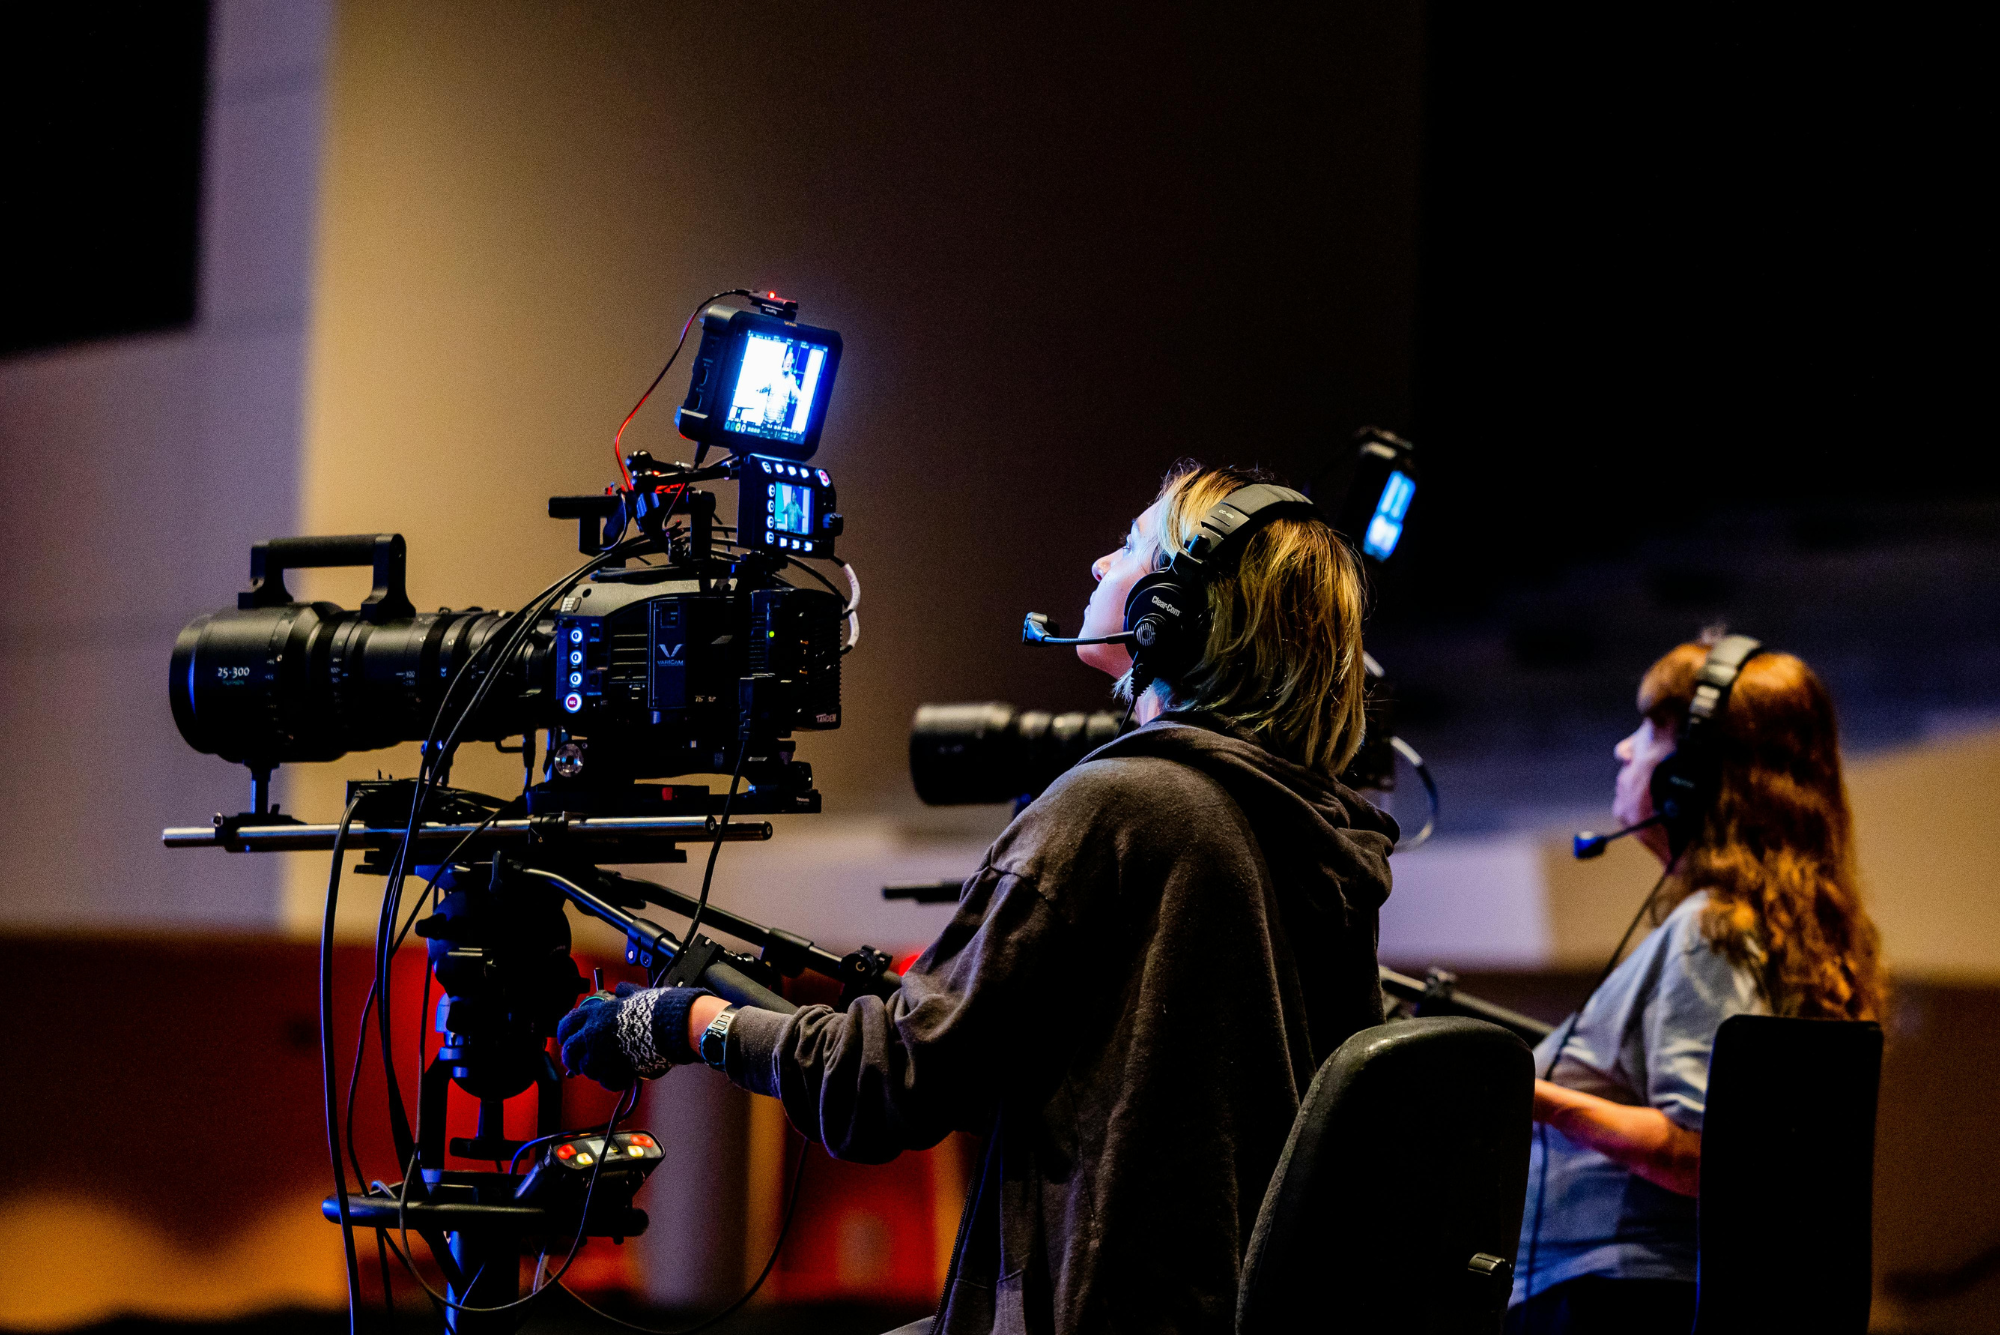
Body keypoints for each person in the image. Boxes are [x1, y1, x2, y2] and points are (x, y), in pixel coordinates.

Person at [558, 462, 1398, 1334]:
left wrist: (683, 1021)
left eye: (1136, 546)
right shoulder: (1321, 836)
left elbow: (886, 1087)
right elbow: (991, 1061)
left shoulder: (1120, 806)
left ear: (1175, 615)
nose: (1101, 563)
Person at [1507, 638, 1887, 1335]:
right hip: (1624, 1294)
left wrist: (1527, 1096)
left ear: (1692, 776)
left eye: (1652, 729)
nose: (1624, 750)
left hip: (1615, 1301)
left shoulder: (1709, 932)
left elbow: (1701, 1150)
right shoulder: (1753, 928)